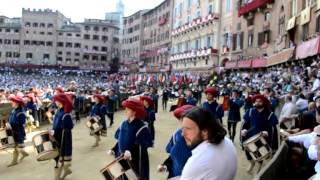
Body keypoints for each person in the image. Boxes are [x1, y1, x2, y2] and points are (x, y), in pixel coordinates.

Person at [180, 107, 237, 180]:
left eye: (188, 129)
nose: (183, 134)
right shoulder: (228, 142)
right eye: (183, 129)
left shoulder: (197, 162)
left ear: (205, 132)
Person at [108, 99, 153, 180]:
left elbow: (142, 147)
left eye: (128, 109)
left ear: (134, 112)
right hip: (122, 158)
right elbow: (120, 140)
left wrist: (131, 153)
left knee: (134, 177)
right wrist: (114, 149)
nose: (125, 111)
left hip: (134, 161)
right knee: (122, 176)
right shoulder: (123, 124)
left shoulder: (142, 127)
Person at [241, 94, 278, 174]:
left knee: (259, 154)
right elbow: (245, 124)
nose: (257, 103)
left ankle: (259, 165)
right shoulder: (250, 111)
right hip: (249, 137)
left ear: (264, 102)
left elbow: (273, 127)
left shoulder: (270, 114)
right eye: (256, 101)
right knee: (248, 153)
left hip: (262, 138)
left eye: (260, 101)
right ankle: (252, 163)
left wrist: (267, 132)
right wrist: (244, 130)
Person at [158, 105, 193, 179]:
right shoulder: (176, 135)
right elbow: (173, 155)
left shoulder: (200, 140)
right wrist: (166, 166)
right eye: (181, 119)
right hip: (174, 176)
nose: (182, 122)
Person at [51, 93, 74, 180]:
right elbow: (55, 125)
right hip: (56, 137)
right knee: (57, 158)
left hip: (63, 139)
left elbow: (69, 127)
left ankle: (57, 177)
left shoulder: (66, 114)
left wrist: (61, 128)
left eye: (56, 100)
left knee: (60, 159)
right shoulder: (58, 111)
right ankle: (66, 171)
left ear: (60, 101)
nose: (55, 102)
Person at [6, 96, 29, 167]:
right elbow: (10, 119)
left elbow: (23, 123)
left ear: (17, 103)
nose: (11, 103)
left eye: (13, 101)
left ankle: (16, 159)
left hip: (18, 131)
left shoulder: (21, 112)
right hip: (12, 131)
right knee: (16, 146)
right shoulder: (13, 110)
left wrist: (13, 125)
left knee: (17, 146)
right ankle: (21, 155)